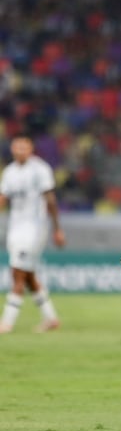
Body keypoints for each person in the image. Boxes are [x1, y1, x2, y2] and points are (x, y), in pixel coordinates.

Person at [0, 135, 66, 334]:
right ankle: (51, 318)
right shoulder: (10, 172)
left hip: (34, 227)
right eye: (17, 147)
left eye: (24, 147)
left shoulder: (40, 169)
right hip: (15, 227)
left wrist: (57, 229)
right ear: (12, 149)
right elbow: (3, 197)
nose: (20, 150)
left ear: (31, 149)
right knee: (28, 275)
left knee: (17, 272)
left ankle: (6, 322)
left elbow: (51, 201)